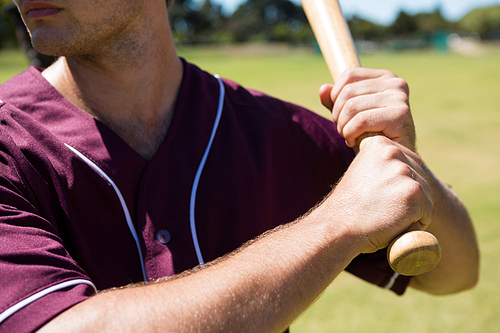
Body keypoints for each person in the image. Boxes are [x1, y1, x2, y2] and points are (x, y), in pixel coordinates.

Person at [0, 0, 479, 332]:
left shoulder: (274, 129)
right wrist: (337, 225)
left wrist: (403, 165)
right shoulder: (9, 141)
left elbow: (455, 273)